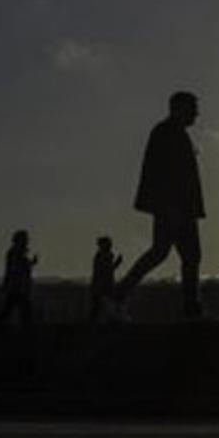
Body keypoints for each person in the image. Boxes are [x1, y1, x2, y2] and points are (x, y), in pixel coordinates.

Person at [115, 92, 206, 319]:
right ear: (179, 108)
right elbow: (162, 174)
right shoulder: (166, 133)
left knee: (169, 253)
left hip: (178, 207)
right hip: (174, 207)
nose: (196, 114)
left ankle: (119, 293)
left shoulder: (174, 134)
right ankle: (190, 307)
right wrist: (170, 207)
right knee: (179, 254)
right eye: (192, 108)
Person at [0, 230, 38, 327]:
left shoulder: (16, 253)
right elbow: (17, 268)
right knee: (22, 311)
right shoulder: (15, 253)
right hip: (16, 287)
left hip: (17, 287)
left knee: (13, 310)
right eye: (25, 239)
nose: (27, 241)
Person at [89, 236, 123, 322]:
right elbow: (106, 270)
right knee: (101, 310)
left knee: (100, 310)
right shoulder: (102, 257)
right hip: (102, 287)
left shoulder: (104, 256)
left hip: (104, 287)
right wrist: (116, 263)